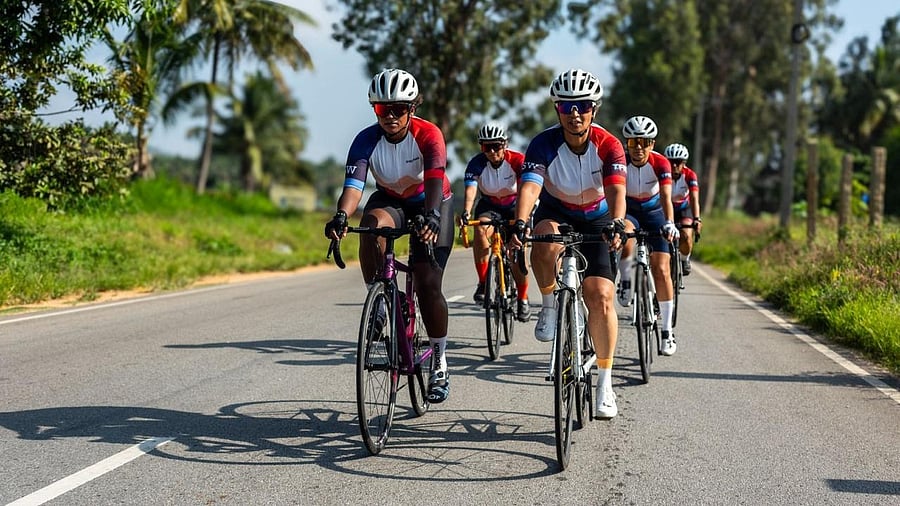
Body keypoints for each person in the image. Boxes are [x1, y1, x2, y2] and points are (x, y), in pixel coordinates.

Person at [324, 68, 455, 403]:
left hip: (431, 200)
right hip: (391, 199)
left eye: (399, 109)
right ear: (375, 110)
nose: (391, 116)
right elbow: (353, 188)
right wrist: (341, 216)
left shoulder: (429, 135)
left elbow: (435, 182)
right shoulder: (365, 140)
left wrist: (431, 217)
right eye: (384, 109)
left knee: (427, 283)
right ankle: (381, 299)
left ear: (412, 108)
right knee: (369, 225)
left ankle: (439, 360)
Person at [509, 68, 627, 418]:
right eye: (566, 107)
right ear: (557, 109)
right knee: (543, 243)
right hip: (556, 210)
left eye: (583, 106)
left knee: (601, 297)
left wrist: (618, 222)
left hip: (599, 217)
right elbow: (530, 186)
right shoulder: (543, 143)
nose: (575, 114)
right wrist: (518, 220)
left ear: (595, 109)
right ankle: (549, 305)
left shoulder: (609, 144)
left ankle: (605, 383)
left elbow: (617, 189)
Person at [617, 116, 680, 356]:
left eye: (644, 142)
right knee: (624, 236)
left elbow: (666, 196)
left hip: (655, 212)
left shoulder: (661, 163)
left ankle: (666, 331)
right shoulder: (621, 162)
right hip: (630, 210)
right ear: (627, 144)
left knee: (662, 269)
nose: (639, 148)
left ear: (652, 144)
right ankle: (625, 280)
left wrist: (670, 223)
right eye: (634, 143)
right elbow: (617, 194)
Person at [460, 122, 531, 321]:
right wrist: (466, 211)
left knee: (517, 254)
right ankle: (483, 282)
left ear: (505, 145)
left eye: (496, 146)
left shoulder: (517, 160)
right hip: (489, 205)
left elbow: (526, 189)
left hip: (514, 206)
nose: (491, 151)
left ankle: (523, 299)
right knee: (481, 231)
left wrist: (521, 222)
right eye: (486, 147)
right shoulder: (476, 163)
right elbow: (471, 190)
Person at [663, 143, 703, 275]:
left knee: (686, 235)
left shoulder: (690, 175)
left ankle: (684, 259)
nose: (674, 165)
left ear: (684, 163)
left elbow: (694, 198)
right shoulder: (661, 173)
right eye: (671, 162)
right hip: (665, 207)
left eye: (678, 162)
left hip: (683, 209)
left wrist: (697, 219)